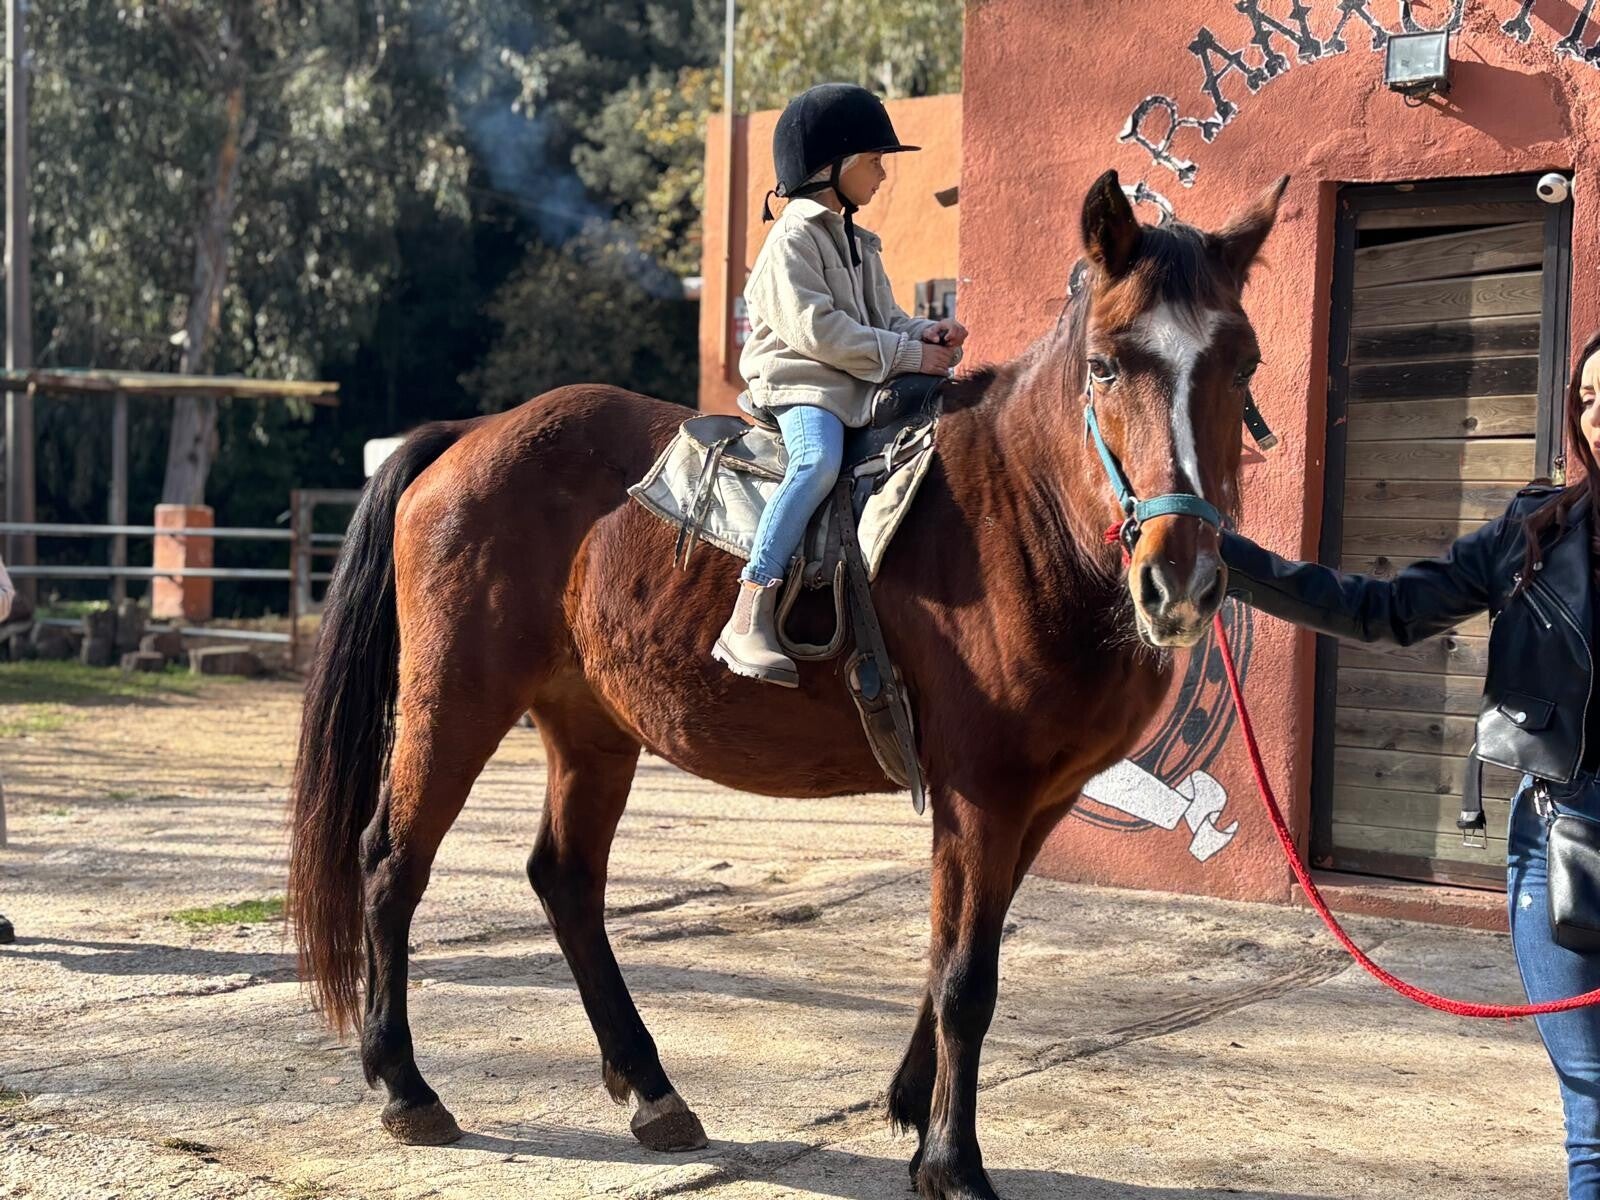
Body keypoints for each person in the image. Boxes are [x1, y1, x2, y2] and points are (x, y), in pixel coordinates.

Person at [1220, 330, 1600, 1198]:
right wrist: (1229, 563)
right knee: (1596, 1111)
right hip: (1567, 841)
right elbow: (1386, 611)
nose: (1597, 413)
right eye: (1585, 397)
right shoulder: (1537, 531)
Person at [714, 82, 966, 687]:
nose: (883, 175)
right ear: (832, 168)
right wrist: (904, 353)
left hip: (848, 381)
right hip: (803, 386)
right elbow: (818, 331)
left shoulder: (857, 242)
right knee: (818, 463)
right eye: (875, 162)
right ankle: (750, 608)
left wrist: (925, 332)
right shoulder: (792, 240)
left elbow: (884, 318)